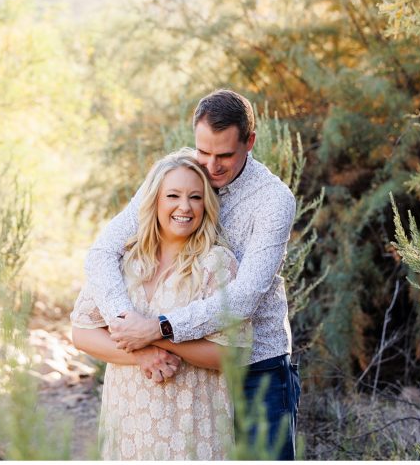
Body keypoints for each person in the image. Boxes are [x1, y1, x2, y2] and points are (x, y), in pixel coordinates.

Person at [83, 89, 301, 459]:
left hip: (254, 370)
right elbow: (103, 250)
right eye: (204, 151)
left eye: (224, 155)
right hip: (189, 374)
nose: (211, 166)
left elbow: (244, 297)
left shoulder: (273, 201)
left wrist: (159, 328)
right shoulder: (178, 175)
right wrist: (127, 324)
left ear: (250, 141)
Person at [70, 150, 248, 459]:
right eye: (173, 195)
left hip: (193, 430)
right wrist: (142, 355)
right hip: (126, 427)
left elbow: (233, 354)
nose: (184, 207)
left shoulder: (216, 264)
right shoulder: (124, 260)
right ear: (154, 201)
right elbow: (82, 333)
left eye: (195, 197)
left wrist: (156, 336)